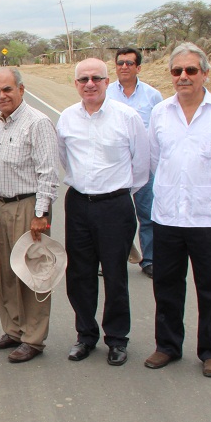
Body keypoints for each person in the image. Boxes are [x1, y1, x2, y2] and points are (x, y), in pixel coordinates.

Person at [145, 43, 211, 378]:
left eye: (191, 70)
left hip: (209, 217)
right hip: (167, 216)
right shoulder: (160, 113)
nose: (183, 76)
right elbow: (153, 161)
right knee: (166, 285)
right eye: (177, 71)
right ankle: (167, 346)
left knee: (210, 287)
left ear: (205, 73)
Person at [56, 58, 149, 367]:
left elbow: (142, 166)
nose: (90, 84)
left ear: (108, 81)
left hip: (116, 205)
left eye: (96, 78)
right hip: (79, 203)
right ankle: (85, 335)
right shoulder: (67, 118)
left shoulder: (128, 117)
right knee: (79, 274)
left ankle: (117, 338)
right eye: (83, 79)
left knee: (115, 273)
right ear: (76, 84)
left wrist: (117, 192)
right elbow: (64, 159)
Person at [0, 67, 60, 364]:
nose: (2, 96)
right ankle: (13, 329)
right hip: (2, 208)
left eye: (7, 89)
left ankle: (33, 338)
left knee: (33, 272)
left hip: (29, 208)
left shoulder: (37, 123)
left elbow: (49, 172)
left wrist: (40, 213)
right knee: (5, 271)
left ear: (21, 89)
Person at [104, 48, 164, 278]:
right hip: (114, 166)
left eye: (129, 63)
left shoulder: (152, 96)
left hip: (144, 166)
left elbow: (158, 130)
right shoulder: (106, 93)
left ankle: (149, 259)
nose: (124, 67)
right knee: (112, 217)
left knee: (147, 214)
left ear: (138, 67)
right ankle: (111, 259)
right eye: (120, 63)